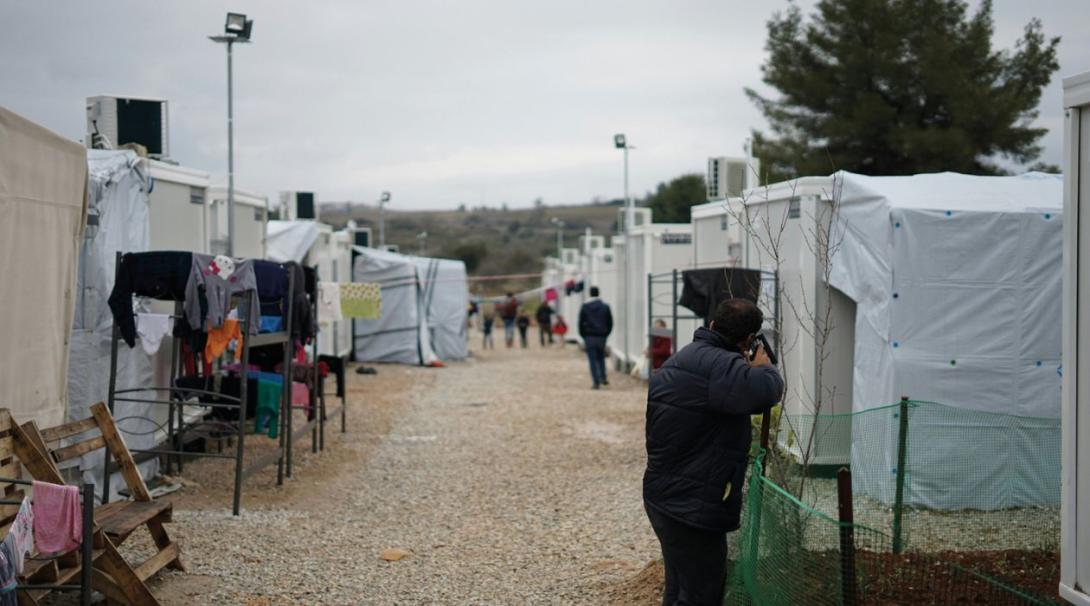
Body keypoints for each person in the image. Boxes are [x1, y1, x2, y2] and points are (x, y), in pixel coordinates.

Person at [643, 299, 783, 606]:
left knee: (679, 586)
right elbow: (767, 390)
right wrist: (765, 367)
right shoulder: (723, 367)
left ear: (712, 325)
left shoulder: (684, 358)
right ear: (748, 339)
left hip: (662, 494)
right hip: (693, 505)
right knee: (701, 593)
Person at [578, 287, 613, 389]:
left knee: (592, 360)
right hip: (601, 336)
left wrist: (583, 335)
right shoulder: (605, 307)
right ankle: (603, 376)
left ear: (590, 294)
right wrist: (606, 333)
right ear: (599, 293)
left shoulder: (585, 307)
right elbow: (610, 322)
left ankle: (596, 382)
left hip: (589, 336)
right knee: (601, 357)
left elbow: (580, 323)